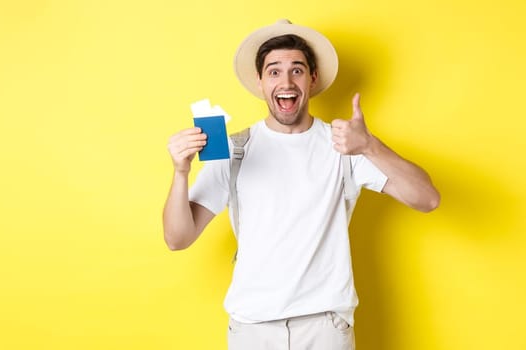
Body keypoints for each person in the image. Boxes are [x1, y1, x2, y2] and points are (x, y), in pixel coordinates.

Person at [162, 19, 440, 349]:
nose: (286, 80)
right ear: (261, 82)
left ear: (313, 78)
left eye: (297, 69)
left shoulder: (345, 145)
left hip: (325, 328)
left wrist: (369, 146)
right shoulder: (235, 148)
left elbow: (427, 199)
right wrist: (180, 172)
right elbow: (177, 238)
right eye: (274, 71)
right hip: (252, 329)